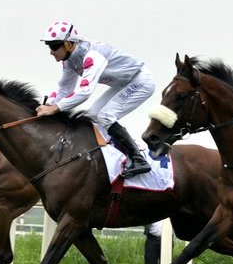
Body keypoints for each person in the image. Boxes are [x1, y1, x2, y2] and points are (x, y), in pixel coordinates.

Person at [35, 20, 154, 178]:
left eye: (54, 46)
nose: (51, 52)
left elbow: (85, 91)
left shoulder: (92, 55)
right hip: (124, 83)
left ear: (69, 43)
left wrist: (54, 109)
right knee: (91, 117)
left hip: (140, 81)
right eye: (49, 46)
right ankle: (112, 155)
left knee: (105, 116)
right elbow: (65, 88)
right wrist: (48, 104)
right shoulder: (69, 60)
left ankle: (138, 159)